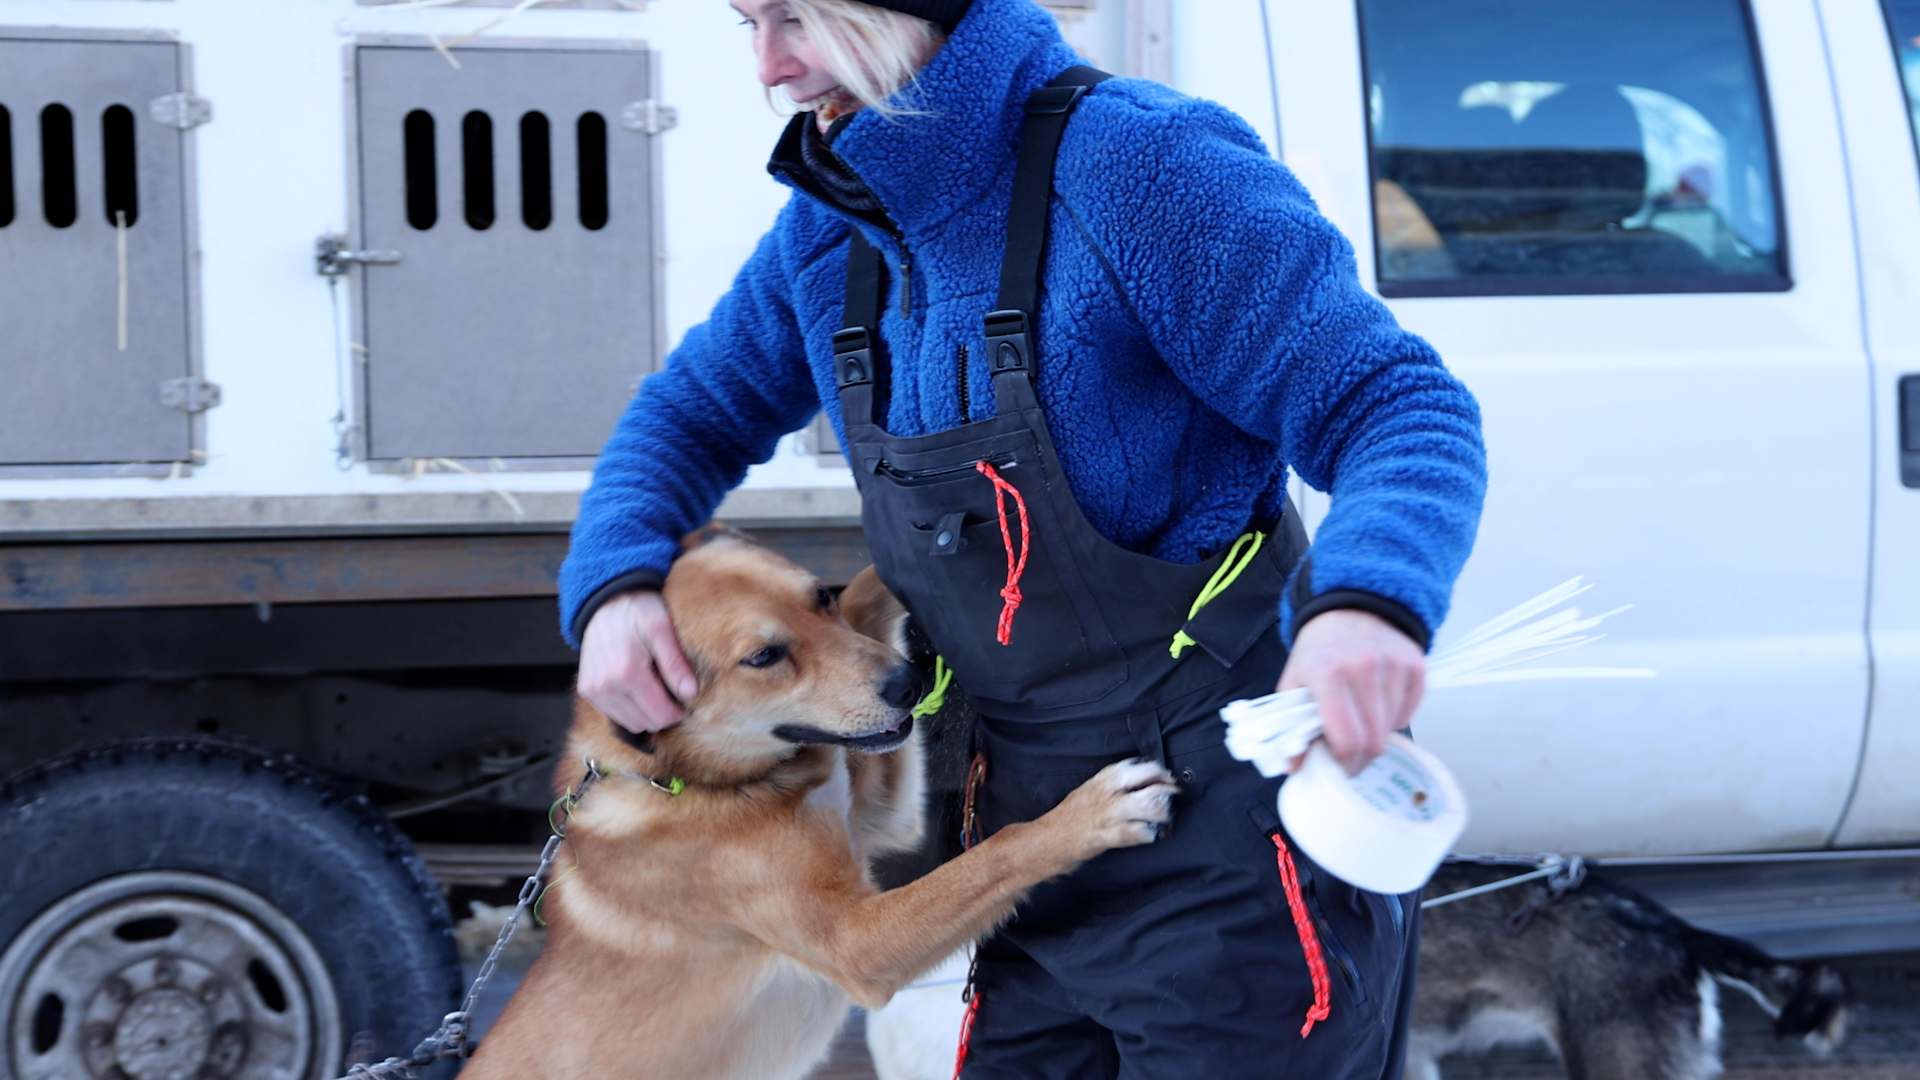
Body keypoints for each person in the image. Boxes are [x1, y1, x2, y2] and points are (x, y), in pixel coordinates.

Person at [558, 0, 1486, 1075]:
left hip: (1233, 837)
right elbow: (689, 413)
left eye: (799, 18)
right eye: (748, 22)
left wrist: (1370, 603)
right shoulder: (833, 225)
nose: (769, 67)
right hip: (1027, 839)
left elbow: (1397, 404)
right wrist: (616, 580)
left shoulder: (1142, 164)